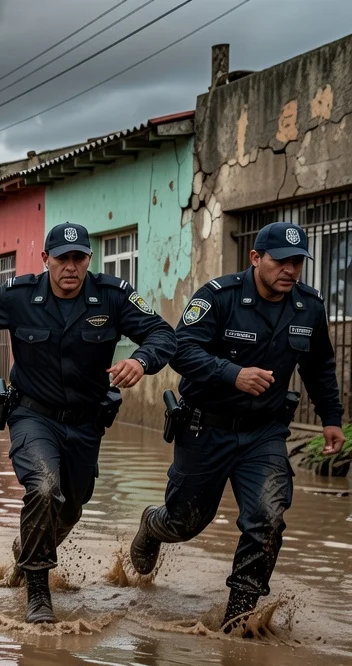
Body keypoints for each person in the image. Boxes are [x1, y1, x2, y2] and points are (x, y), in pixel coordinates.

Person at [0, 222, 176, 624]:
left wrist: (140, 361)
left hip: (85, 422)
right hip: (32, 414)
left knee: (70, 507)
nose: (71, 267)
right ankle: (38, 590)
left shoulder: (113, 296)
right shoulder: (19, 295)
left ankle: (27, 552)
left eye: (79, 258)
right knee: (43, 488)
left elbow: (163, 334)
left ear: (88, 260)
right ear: (46, 259)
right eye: (62, 258)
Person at [129, 222, 344, 633]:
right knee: (186, 522)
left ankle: (239, 620)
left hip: (264, 432)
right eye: (281, 260)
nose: (291, 270)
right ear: (256, 258)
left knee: (267, 517)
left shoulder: (309, 307)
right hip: (204, 427)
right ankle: (152, 526)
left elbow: (319, 367)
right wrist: (233, 374)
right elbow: (181, 350)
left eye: (298, 262)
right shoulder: (218, 297)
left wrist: (331, 418)